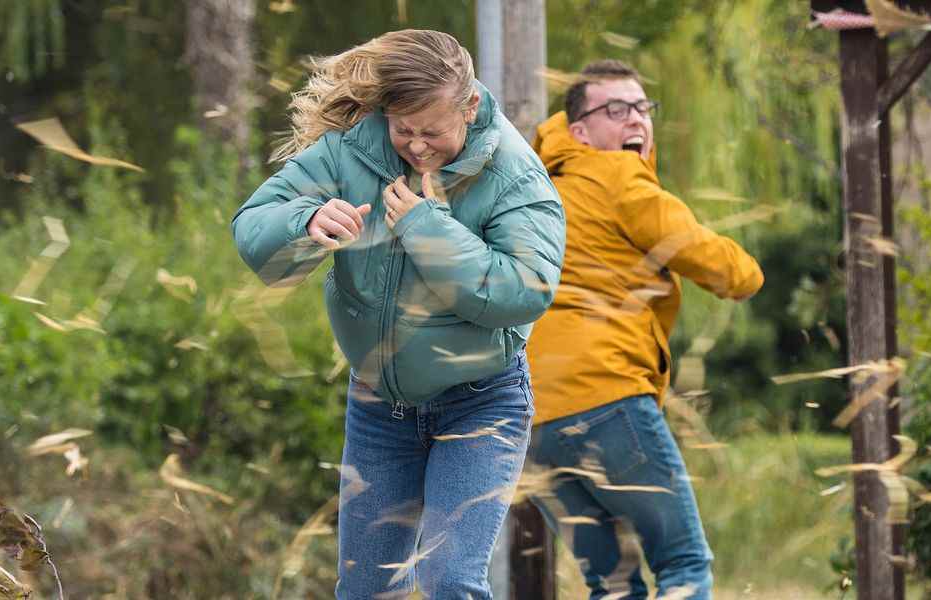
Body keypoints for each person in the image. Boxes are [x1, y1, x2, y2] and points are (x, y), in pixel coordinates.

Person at [231, 29, 565, 599]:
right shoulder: (351, 150)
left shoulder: (516, 176)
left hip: (481, 402)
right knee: (366, 591)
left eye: (432, 132)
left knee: (450, 580)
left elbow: (523, 289)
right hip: (377, 404)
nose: (415, 146)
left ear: (470, 107)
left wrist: (424, 228)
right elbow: (253, 225)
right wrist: (304, 224)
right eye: (402, 129)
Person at [525, 60, 764, 599]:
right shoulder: (615, 174)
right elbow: (709, 257)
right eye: (615, 109)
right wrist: (749, 273)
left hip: (530, 422)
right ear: (579, 130)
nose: (635, 120)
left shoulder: (535, 190)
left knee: (610, 583)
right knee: (683, 564)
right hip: (606, 398)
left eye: (642, 107)